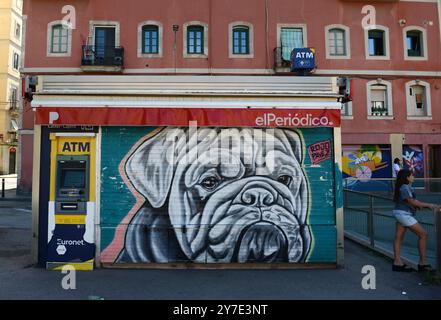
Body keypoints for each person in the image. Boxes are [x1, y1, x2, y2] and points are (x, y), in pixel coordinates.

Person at [392, 169, 440, 272]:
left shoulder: (405, 187)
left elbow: (413, 202)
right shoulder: (405, 187)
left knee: (398, 238)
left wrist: (423, 205)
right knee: (423, 235)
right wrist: (430, 205)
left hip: (400, 213)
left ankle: (397, 263)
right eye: (411, 175)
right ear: (407, 177)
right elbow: (412, 202)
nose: (413, 177)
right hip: (404, 214)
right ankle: (423, 263)